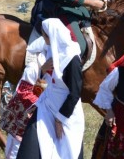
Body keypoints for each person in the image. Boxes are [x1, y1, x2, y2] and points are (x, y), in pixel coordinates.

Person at [17, 18, 84, 159]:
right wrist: (42, 71)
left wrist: (60, 120)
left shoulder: (72, 59)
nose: (43, 38)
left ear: (52, 35)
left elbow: (75, 94)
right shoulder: (50, 52)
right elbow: (41, 86)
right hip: (45, 108)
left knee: (66, 151)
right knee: (31, 148)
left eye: (44, 35)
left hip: (66, 114)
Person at [0, 39, 52, 159]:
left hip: (43, 118)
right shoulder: (34, 68)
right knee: (16, 151)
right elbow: (24, 94)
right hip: (24, 119)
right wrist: (42, 75)